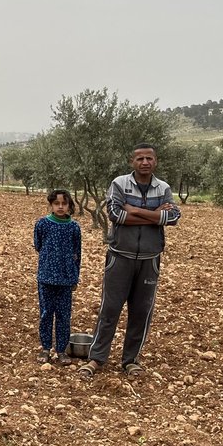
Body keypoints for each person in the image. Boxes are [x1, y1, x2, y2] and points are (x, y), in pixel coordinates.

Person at [78, 143, 181, 379]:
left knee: (141, 311)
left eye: (149, 159)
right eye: (140, 159)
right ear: (131, 162)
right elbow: (115, 215)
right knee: (110, 309)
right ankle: (96, 358)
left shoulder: (162, 187)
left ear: (155, 161)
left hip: (150, 259)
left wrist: (134, 210)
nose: (145, 162)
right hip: (120, 257)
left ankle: (131, 360)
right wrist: (155, 216)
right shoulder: (119, 184)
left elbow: (173, 217)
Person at [33, 189, 82, 364]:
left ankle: (61, 350)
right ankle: (45, 348)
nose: (60, 207)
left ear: (69, 205)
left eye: (64, 203)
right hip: (46, 277)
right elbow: (38, 245)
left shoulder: (74, 227)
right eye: (57, 204)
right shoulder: (42, 224)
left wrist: (75, 277)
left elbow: (77, 253)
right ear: (51, 205)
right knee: (46, 313)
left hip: (66, 278)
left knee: (63, 315)